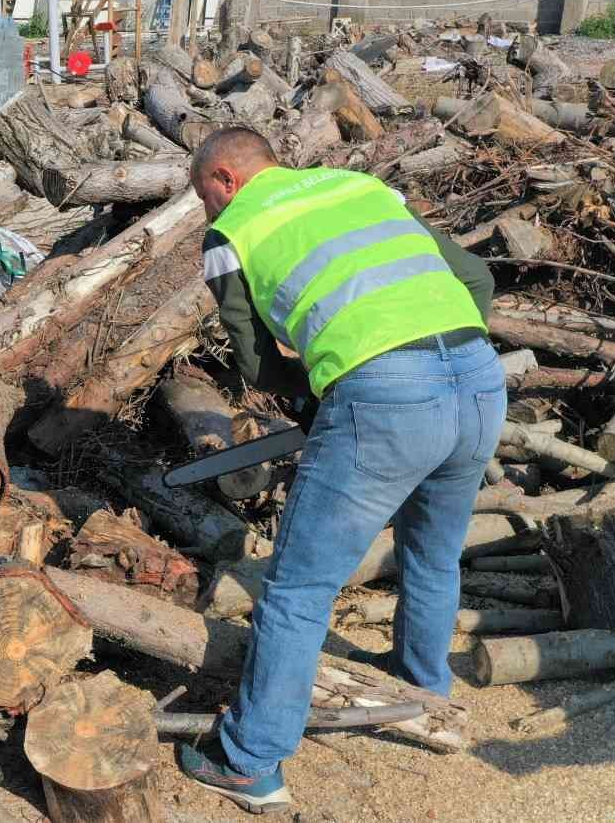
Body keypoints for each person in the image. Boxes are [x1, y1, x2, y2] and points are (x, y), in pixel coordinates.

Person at [178, 128, 505, 813]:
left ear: (225, 179)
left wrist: (323, 394)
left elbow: (255, 362)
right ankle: (422, 690)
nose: (204, 208)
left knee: (297, 590)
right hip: (479, 378)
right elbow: (475, 278)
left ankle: (249, 761)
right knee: (434, 556)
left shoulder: (231, 233)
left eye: (202, 193)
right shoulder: (361, 186)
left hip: (387, 397)